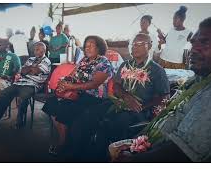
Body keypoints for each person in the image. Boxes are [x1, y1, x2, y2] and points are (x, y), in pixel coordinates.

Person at [111, 16, 211, 162]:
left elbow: (181, 154)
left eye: (204, 43)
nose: (194, 49)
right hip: (152, 139)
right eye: (193, 43)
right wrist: (134, 144)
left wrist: (130, 160)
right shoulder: (200, 79)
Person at [66, 33, 170, 161]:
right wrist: (126, 96)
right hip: (118, 103)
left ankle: (103, 158)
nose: (134, 47)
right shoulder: (124, 65)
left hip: (140, 110)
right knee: (87, 116)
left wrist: (142, 107)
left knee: (112, 125)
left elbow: (164, 96)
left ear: (149, 46)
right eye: (133, 44)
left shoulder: (157, 70)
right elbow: (116, 85)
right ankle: (79, 155)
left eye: (139, 44)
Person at [42, 35, 114, 155]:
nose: (87, 48)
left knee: (68, 111)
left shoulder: (103, 62)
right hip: (78, 94)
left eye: (91, 46)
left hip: (95, 99)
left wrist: (71, 87)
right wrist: (64, 82)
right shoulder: (83, 61)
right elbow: (72, 75)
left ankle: (69, 144)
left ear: (99, 47)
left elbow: (94, 84)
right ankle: (64, 139)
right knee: (52, 103)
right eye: (86, 46)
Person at [0, 42, 51, 128]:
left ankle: (20, 122)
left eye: (37, 50)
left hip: (34, 85)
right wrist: (30, 69)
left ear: (43, 50)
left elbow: (35, 71)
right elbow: (22, 71)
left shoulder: (47, 61)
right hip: (20, 82)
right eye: (34, 49)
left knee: (23, 97)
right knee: (3, 94)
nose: (35, 51)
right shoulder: (31, 59)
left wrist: (29, 69)